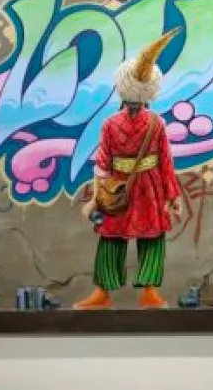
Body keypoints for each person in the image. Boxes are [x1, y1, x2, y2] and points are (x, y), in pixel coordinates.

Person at [74, 29, 182, 309]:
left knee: (111, 237)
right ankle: (149, 292)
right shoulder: (157, 123)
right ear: (149, 91)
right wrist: (172, 196)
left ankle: (103, 293)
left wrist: (96, 199)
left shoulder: (110, 123)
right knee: (152, 237)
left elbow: (102, 166)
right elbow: (166, 163)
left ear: (121, 87)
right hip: (150, 187)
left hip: (118, 185)